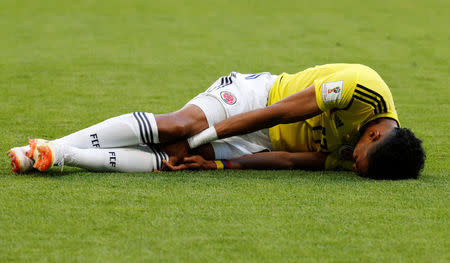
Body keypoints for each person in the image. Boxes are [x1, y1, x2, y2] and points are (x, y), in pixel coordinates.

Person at [7, 64, 425, 179]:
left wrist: (216, 161)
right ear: (374, 133)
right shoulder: (360, 88)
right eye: (360, 159)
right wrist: (203, 136)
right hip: (256, 98)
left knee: (175, 162)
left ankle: (57, 155)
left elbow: (294, 161)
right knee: (178, 129)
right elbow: (278, 112)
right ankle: (53, 145)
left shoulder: (373, 154)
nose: (353, 163)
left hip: (258, 142)